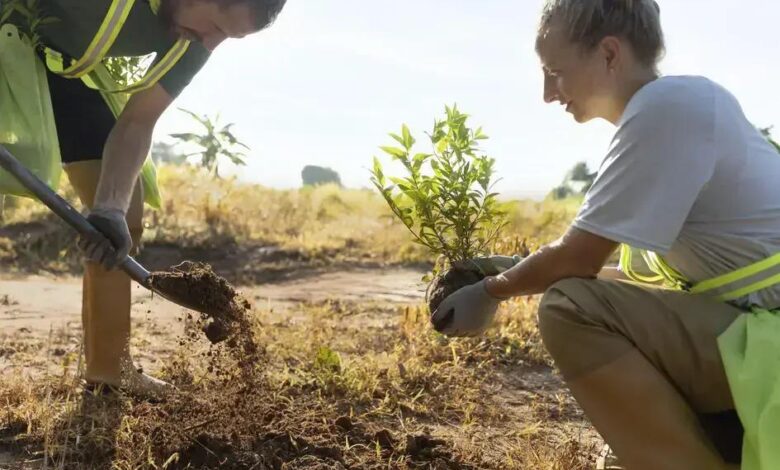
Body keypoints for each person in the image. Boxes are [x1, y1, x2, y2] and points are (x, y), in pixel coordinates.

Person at [431, 1, 780, 468]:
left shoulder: (667, 109)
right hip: (756, 329)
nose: (547, 94)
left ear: (609, 55)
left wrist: (493, 290)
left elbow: (578, 261)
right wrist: (516, 269)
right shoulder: (682, 108)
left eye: (555, 71)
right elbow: (638, 284)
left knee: (569, 308)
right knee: (576, 296)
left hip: (768, 341)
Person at [4, 0, 287, 398]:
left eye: (227, 37)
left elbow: (139, 120)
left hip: (64, 71)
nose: (212, 42)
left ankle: (108, 371)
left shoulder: (194, 44)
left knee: (125, 207)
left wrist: (109, 209)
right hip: (9, 37)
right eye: (216, 26)